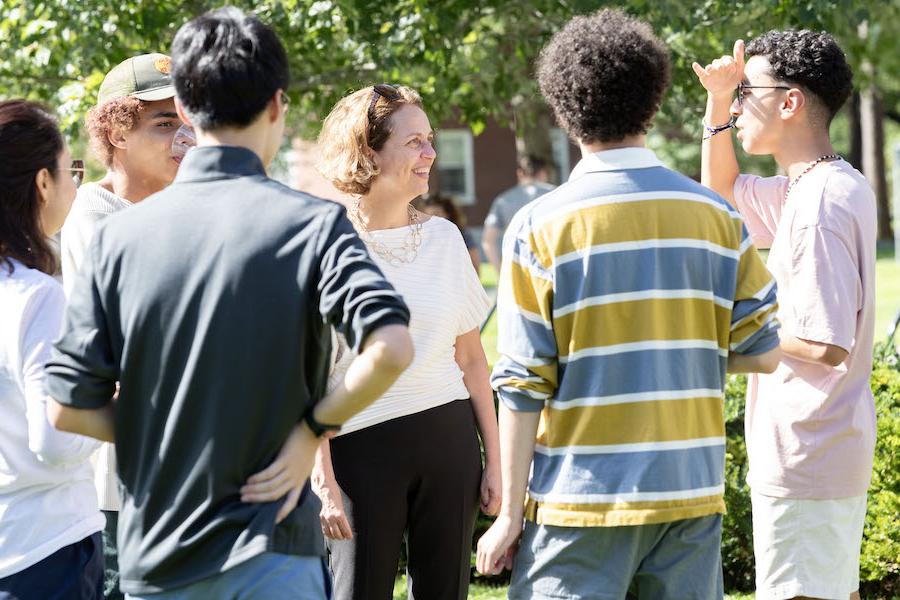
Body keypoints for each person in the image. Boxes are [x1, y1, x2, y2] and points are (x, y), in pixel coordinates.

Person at [44, 8, 413, 599]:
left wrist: (158, 433)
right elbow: (392, 345)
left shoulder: (119, 237)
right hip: (274, 546)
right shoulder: (312, 224)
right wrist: (308, 431)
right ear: (276, 104)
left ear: (187, 112)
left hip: (159, 549)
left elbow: (65, 406)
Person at [475, 10, 781, 599]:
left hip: (579, 503)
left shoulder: (539, 226)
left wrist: (510, 513)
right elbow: (763, 352)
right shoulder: (717, 218)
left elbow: (521, 383)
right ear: (653, 100)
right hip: (689, 492)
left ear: (564, 109)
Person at [693, 31, 876, 600]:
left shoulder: (819, 203)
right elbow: (720, 194)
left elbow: (826, 345)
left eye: (749, 91)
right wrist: (719, 99)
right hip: (816, 449)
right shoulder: (819, 185)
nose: (741, 104)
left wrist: (726, 347)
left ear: (790, 102)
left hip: (807, 451)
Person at [313, 84, 500, 600]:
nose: (431, 154)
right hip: (358, 449)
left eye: (430, 140)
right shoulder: (323, 248)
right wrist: (325, 482)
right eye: (414, 141)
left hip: (449, 439)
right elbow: (305, 383)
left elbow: (471, 360)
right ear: (368, 152)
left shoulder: (444, 240)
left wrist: (495, 461)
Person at [60, 52, 183, 600]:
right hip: (124, 489)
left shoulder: (187, 210)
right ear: (115, 130)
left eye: (188, 122)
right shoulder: (93, 213)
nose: (183, 138)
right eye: (164, 123)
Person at [0, 99, 104, 599]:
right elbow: (57, 439)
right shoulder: (37, 296)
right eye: (72, 170)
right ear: (43, 183)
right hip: (45, 547)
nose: (75, 184)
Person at [481, 154, 554, 274]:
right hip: (550, 265)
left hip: (517, 268)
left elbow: (488, 240)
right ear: (543, 173)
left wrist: (501, 272)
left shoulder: (504, 200)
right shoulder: (556, 194)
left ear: (520, 173)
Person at [413, 192, 480, 271]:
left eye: (436, 214)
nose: (433, 219)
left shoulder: (462, 234)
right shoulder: (419, 237)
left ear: (448, 214)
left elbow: (475, 265)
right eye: (428, 215)